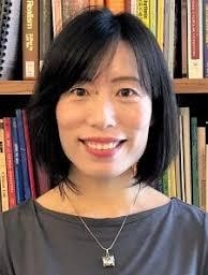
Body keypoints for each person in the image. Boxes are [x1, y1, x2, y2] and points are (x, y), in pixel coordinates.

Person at [0, 7, 207, 275]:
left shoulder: (199, 238)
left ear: (155, 110)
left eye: (126, 91)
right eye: (80, 91)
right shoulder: (9, 239)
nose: (102, 119)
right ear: (53, 107)